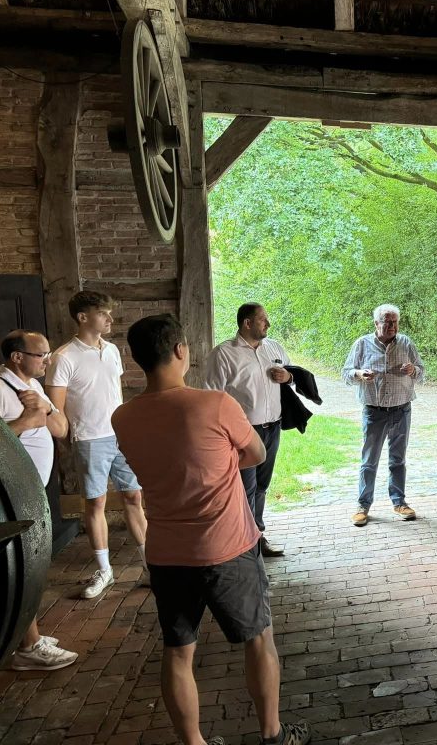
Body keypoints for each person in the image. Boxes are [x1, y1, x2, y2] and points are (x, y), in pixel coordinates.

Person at [112, 314, 310, 745]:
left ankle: (194, 743)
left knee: (178, 651)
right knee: (259, 640)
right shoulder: (213, 404)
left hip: (166, 552)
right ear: (181, 351)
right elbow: (255, 453)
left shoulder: (122, 417)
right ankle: (273, 735)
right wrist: (218, 467)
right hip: (228, 546)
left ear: (137, 359)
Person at [0, 331, 78, 671]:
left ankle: (27, 637)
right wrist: (25, 421)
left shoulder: (34, 387)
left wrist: (44, 410)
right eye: (41, 355)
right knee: (20, 568)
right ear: (17, 357)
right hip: (9, 499)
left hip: (31, 491)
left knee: (31, 564)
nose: (47, 361)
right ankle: (28, 647)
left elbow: (61, 428)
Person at [46, 291, 147, 600]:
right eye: (104, 313)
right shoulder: (64, 357)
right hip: (90, 438)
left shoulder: (113, 350)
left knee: (133, 496)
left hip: (121, 435)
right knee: (96, 503)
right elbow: (56, 410)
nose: (110, 319)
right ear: (83, 317)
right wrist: (67, 440)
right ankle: (105, 570)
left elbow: (115, 393)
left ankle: (150, 565)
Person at [206, 303, 293, 557]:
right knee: (246, 487)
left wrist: (287, 377)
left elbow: (293, 373)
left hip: (272, 428)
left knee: (263, 485)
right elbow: (213, 395)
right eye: (263, 319)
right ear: (247, 323)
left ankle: (257, 536)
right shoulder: (224, 354)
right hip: (243, 432)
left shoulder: (274, 347)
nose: (268, 324)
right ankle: (244, 542)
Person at [341, 304, 425, 527]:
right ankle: (363, 505)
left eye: (395, 322)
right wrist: (359, 374)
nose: (392, 326)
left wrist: (413, 371)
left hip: (401, 409)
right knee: (369, 461)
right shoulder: (362, 344)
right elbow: (346, 374)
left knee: (398, 459)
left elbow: (421, 371)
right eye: (387, 322)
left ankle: (399, 502)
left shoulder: (406, 343)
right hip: (374, 411)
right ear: (376, 324)